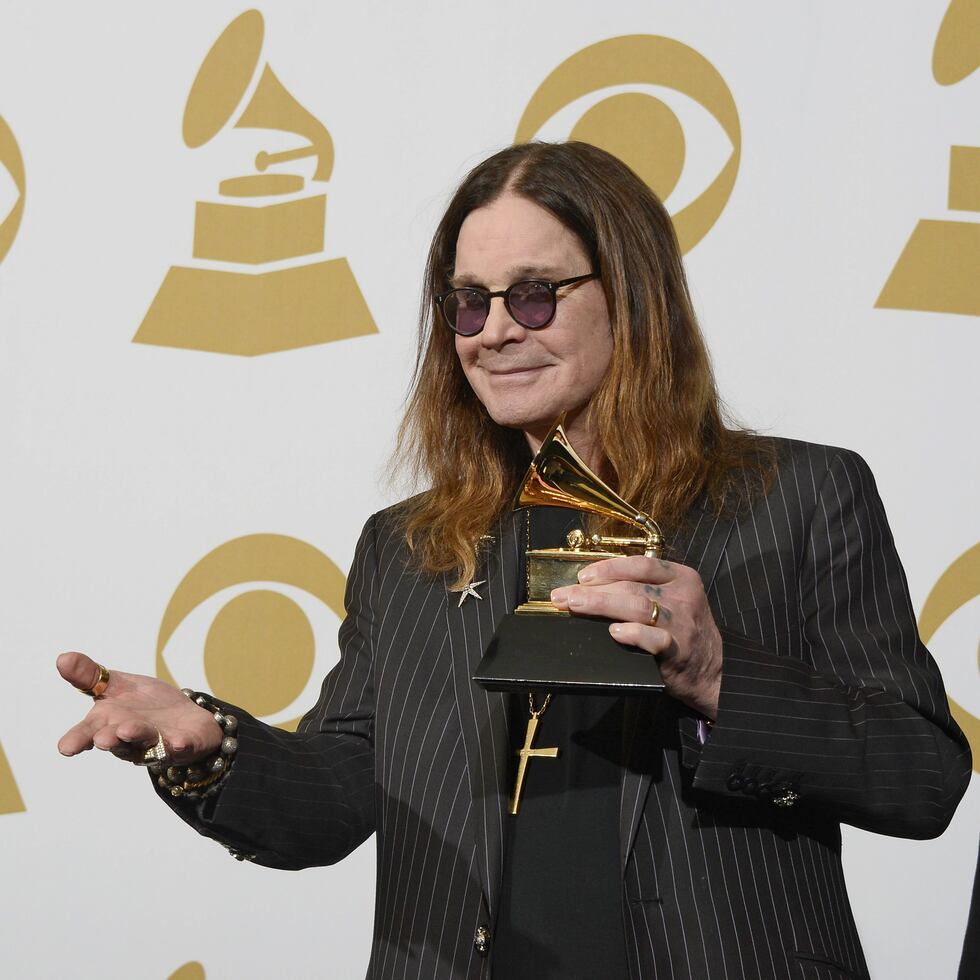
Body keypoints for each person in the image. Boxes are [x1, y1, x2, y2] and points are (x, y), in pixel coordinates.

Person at [57, 141, 972, 980]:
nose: (494, 331)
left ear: (633, 294)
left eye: (534, 294)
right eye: (467, 303)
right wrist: (209, 744)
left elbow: (923, 777)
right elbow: (338, 794)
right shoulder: (408, 546)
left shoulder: (801, 496)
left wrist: (719, 677)